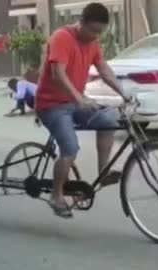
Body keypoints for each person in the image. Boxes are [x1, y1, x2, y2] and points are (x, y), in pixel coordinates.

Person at [35, 2, 129, 218]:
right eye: (93, 30)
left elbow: (103, 69)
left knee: (108, 119)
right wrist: (79, 98)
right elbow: (58, 74)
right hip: (52, 105)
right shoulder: (62, 37)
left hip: (75, 102)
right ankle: (56, 196)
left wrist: (123, 93)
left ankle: (103, 172)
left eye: (100, 32)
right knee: (70, 148)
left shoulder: (93, 43)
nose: (96, 35)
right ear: (82, 23)